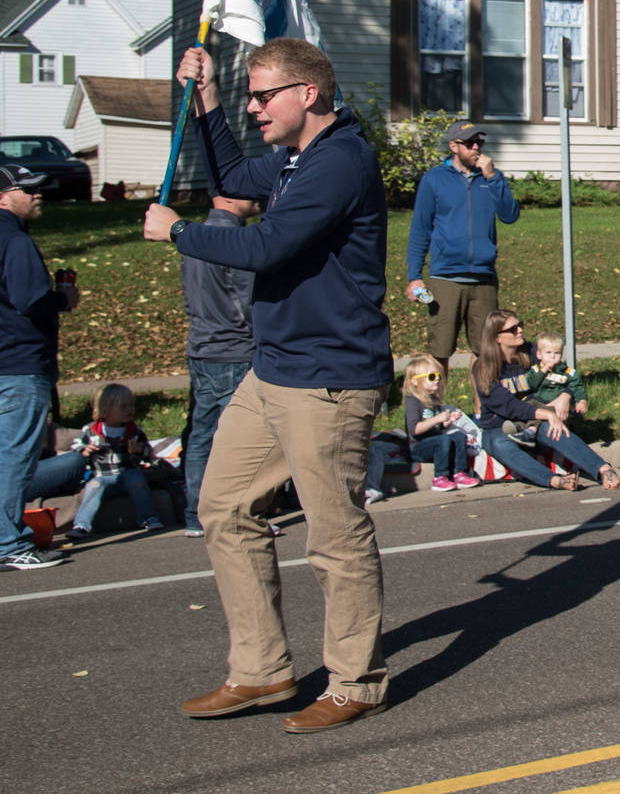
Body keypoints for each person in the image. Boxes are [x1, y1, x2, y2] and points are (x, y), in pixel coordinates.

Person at [150, 38, 392, 732]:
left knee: (334, 537)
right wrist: (206, 101)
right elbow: (229, 170)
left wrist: (179, 232)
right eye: (250, 97)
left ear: (306, 94)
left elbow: (263, 247)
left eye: (263, 96)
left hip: (330, 378)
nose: (255, 108)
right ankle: (261, 670)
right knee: (223, 509)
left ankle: (356, 681)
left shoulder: (339, 162)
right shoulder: (295, 159)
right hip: (275, 368)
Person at [0, 163, 77, 571]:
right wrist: (64, 297)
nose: (37, 194)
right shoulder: (15, 241)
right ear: (3, 198)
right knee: (14, 458)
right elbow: (31, 300)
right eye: (27, 190)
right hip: (19, 362)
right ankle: (9, 544)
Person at [405, 121, 522, 375]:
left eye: (479, 142)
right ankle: (435, 410)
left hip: (483, 277)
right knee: (440, 350)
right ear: (453, 146)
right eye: (469, 143)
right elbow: (420, 229)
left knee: (486, 351)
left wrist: (493, 178)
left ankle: (484, 412)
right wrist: (414, 276)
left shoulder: (490, 177)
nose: (476, 147)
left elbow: (510, 215)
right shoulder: (434, 180)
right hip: (446, 277)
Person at [179, 194, 259, 539]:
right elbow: (249, 303)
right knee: (237, 439)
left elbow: (189, 296)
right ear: (228, 197)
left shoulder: (193, 237)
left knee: (202, 433)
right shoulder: (234, 240)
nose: (256, 196)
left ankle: (196, 513)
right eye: (247, 190)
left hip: (202, 346)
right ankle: (230, 513)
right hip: (233, 350)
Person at [471, 309, 620, 491]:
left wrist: (566, 395)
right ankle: (554, 480)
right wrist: (546, 414)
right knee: (499, 444)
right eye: (513, 329)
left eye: (520, 325)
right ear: (497, 337)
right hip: (500, 425)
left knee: (554, 428)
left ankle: (603, 469)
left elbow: (565, 375)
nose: (520, 331)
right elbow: (507, 406)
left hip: (533, 420)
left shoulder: (534, 352)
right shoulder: (483, 368)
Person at [64, 384, 161, 539]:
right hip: (102, 475)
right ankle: (82, 525)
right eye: (123, 406)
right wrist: (85, 449)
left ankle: (148, 518)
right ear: (105, 410)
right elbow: (75, 446)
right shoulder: (91, 430)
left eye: (131, 405)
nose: (129, 410)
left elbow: (149, 454)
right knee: (94, 485)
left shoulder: (134, 430)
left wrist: (141, 450)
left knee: (137, 481)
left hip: (127, 473)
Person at [401, 357, 482, 493]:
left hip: (436, 442)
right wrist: (437, 419)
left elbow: (437, 427)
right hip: (418, 448)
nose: (437, 379)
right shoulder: (413, 401)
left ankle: (460, 473)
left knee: (458, 436)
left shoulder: (432, 399)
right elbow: (414, 429)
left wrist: (447, 421)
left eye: (438, 376)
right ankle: (440, 477)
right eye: (431, 377)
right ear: (415, 381)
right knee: (444, 440)